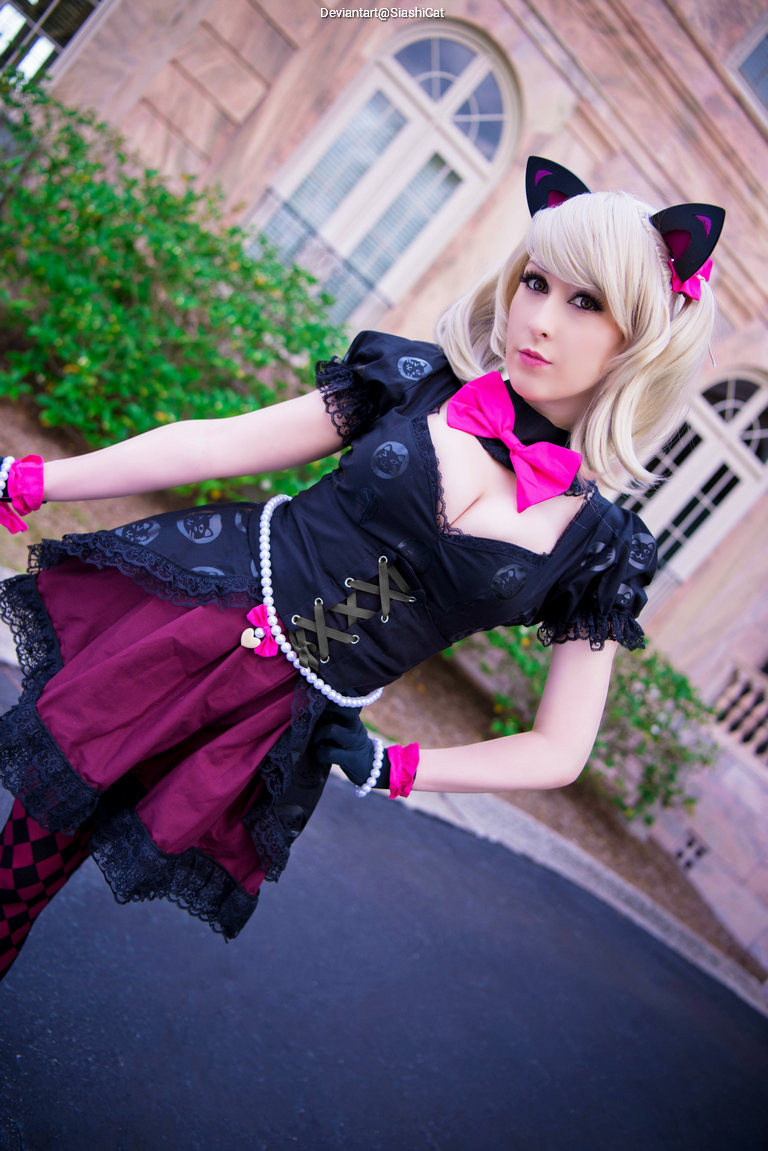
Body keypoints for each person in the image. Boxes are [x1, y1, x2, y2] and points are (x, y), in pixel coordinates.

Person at [0, 157, 722, 978]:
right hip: (193, 617)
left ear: (640, 338)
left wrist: (400, 766)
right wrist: (34, 480)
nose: (540, 318)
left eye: (584, 301)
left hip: (272, 725)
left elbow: (560, 747)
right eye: (536, 282)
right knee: (23, 867)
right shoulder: (414, 382)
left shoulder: (599, 548)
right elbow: (223, 439)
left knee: (73, 848)